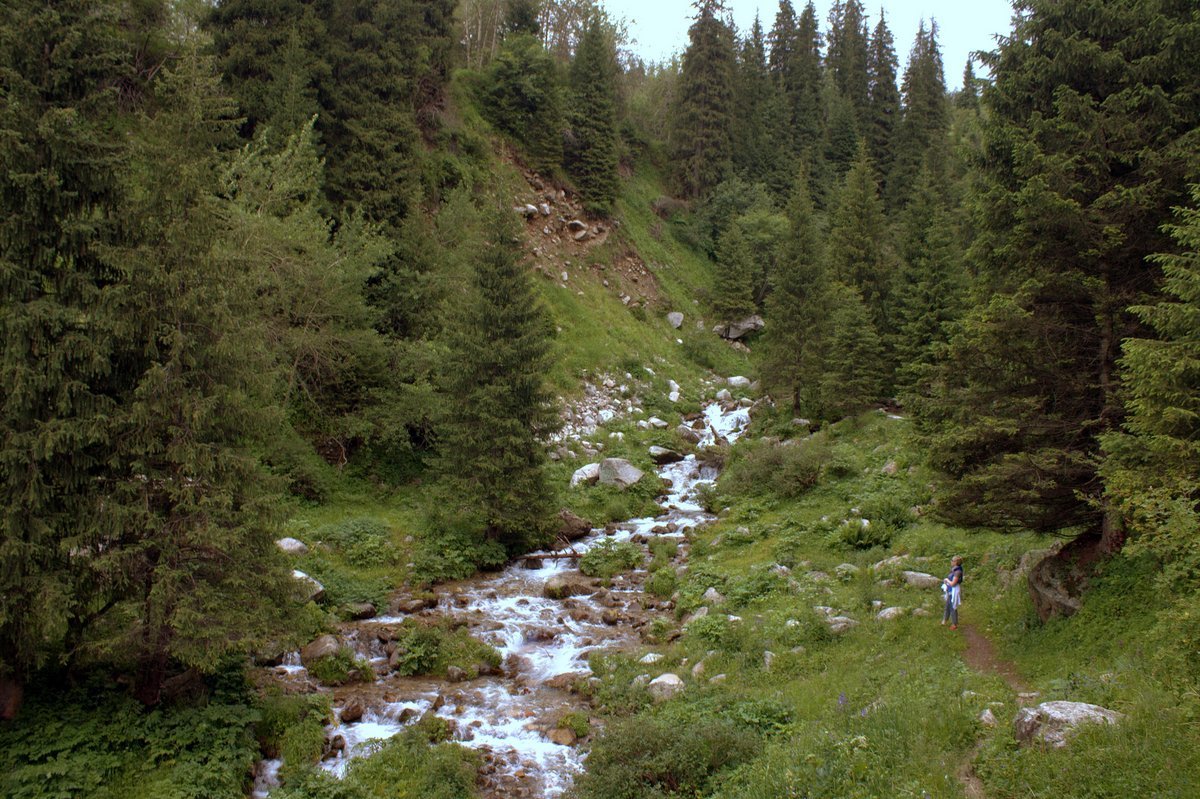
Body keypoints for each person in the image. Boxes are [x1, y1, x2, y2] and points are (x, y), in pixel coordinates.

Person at [942, 555, 963, 629]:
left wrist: (947, 580)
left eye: (952, 560)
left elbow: (953, 583)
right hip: (950, 590)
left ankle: (954, 624)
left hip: (954, 590)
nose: (951, 562)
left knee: (952, 607)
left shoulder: (958, 572)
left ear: (956, 562)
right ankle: (944, 620)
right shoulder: (954, 570)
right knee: (947, 606)